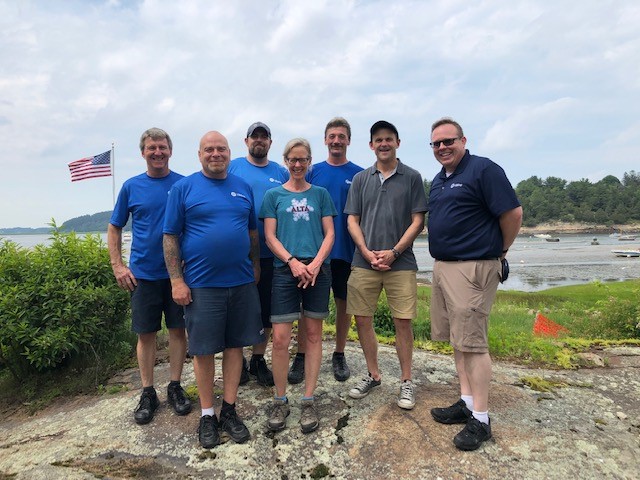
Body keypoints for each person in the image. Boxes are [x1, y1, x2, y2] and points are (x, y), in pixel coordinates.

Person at [163, 131, 265, 449]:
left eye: (221, 149)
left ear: (229, 153)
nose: (216, 154)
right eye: (209, 149)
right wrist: (177, 281)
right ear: (199, 154)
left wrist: (255, 266)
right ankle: (208, 414)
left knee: (235, 347)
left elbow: (251, 232)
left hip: (241, 282)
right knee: (205, 350)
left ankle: (230, 410)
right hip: (202, 285)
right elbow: (170, 237)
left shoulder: (242, 187)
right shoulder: (183, 188)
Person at [427, 117, 522, 451]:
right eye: (436, 144)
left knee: (474, 343)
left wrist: (501, 251)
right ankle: (466, 401)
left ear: (463, 140)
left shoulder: (483, 170)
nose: (442, 148)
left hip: (474, 268)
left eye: (448, 141)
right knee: (458, 338)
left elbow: (513, 214)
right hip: (445, 268)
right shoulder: (440, 179)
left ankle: (481, 419)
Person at [108, 127, 191, 425]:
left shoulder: (184, 184)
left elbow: (193, 225)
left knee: (178, 331)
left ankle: (175, 386)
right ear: (142, 152)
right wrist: (118, 265)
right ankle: (147, 392)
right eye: (152, 148)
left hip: (178, 276)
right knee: (146, 334)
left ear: (170, 150)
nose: (158, 152)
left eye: (163, 147)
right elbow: (115, 226)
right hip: (143, 274)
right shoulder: (131, 187)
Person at [344, 120, 428, 410]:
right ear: (370, 145)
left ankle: (406, 381)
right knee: (362, 318)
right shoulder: (360, 179)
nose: (383, 144)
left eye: (388, 139)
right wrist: (366, 252)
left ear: (397, 142)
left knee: (403, 321)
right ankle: (373, 374)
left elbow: (418, 220)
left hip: (401, 262)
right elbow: (352, 219)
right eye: (378, 140)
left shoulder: (412, 177)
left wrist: (394, 251)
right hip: (364, 261)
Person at [260, 138, 336, 433]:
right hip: (284, 270)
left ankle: (308, 399)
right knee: (280, 338)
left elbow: (329, 233)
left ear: (309, 162)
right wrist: (292, 262)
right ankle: (280, 398)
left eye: (303, 159)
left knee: (314, 334)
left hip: (318, 269)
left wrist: (315, 263)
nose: (297, 164)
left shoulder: (321, 194)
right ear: (286, 161)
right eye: (292, 159)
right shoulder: (273, 195)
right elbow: (270, 236)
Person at [288, 117, 363, 384]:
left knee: (344, 304)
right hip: (312, 253)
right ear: (325, 140)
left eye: (341, 136)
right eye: (332, 136)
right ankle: (301, 354)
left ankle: (339, 353)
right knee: (303, 306)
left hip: (346, 251)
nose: (336, 141)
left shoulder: (360, 174)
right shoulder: (313, 171)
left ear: (348, 141)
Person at [229, 122, 288, 387]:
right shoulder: (234, 167)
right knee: (238, 310)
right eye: (255, 136)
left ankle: (257, 358)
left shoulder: (280, 172)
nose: (260, 141)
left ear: (270, 143)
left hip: (272, 253)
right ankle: (237, 359)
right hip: (238, 253)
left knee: (266, 312)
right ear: (247, 141)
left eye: (265, 137)